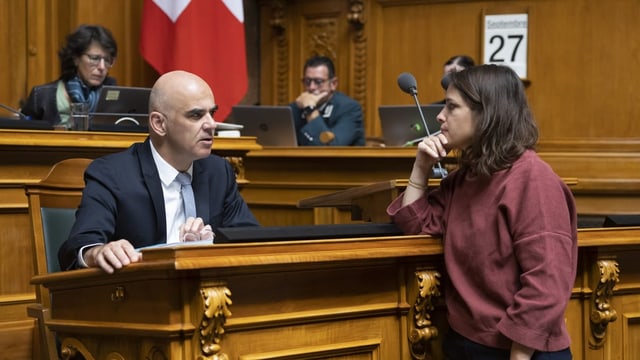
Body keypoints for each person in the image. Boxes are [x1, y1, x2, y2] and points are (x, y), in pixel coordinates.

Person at [387, 65, 577, 359]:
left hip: (521, 351)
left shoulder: (533, 179)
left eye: (451, 107)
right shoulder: (465, 179)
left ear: (486, 114)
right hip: (466, 343)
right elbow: (416, 225)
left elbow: (547, 282)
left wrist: (520, 355)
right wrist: (421, 166)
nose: (439, 117)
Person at [58, 70, 259, 273]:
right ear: (159, 124)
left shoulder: (219, 172)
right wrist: (98, 252)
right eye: (196, 115)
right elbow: (79, 246)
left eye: (212, 113)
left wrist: (211, 243)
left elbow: (248, 236)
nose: (211, 125)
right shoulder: (112, 175)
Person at [21, 24, 117, 126]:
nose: (102, 67)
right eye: (94, 58)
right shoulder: (42, 95)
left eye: (107, 60)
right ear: (76, 58)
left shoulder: (114, 95)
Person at [290, 55, 365, 146]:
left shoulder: (349, 109)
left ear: (333, 84)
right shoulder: (293, 109)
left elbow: (332, 147)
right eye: (307, 81)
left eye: (318, 82)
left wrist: (310, 109)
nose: (311, 87)